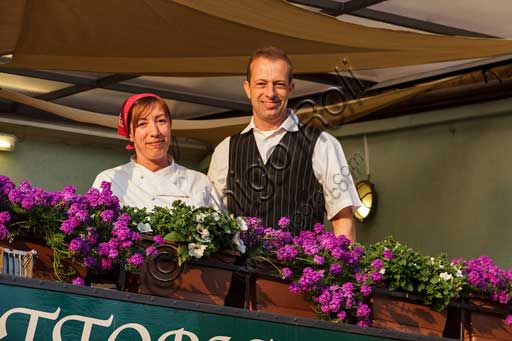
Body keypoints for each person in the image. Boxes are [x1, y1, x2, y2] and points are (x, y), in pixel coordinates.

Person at [208, 47, 361, 241]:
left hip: (301, 270)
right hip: (240, 271)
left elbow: (343, 219)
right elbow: (211, 219)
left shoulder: (323, 144)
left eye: (279, 84)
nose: (270, 93)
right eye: (261, 83)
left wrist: (343, 267)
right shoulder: (225, 149)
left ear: (291, 88)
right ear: (248, 88)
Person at [93, 93, 220, 210]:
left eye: (161, 121)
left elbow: (223, 232)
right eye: (142, 124)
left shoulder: (199, 182)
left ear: (170, 126)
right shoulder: (111, 181)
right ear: (130, 134)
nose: (155, 132)